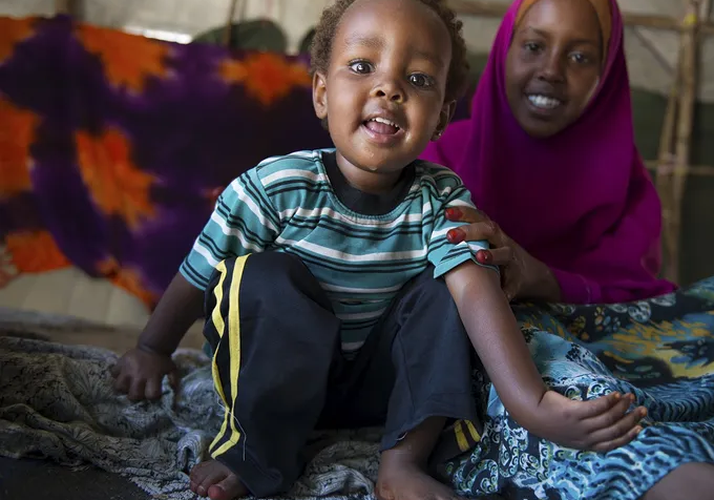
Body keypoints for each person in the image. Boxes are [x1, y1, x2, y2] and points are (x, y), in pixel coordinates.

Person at [110, 1, 648, 499]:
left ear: (441, 114)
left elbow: (480, 299)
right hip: (276, 374)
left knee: (454, 284)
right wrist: (153, 348)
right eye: (363, 66)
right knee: (261, 275)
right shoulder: (273, 187)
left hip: (377, 387)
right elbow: (198, 273)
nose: (389, 88)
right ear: (321, 92)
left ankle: (403, 462)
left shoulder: (441, 198)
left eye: (417, 79)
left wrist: (530, 404)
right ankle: (257, 451)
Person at [420, 0, 714, 499]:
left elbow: (634, 290)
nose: (551, 71)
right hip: (515, 357)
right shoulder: (442, 159)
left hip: (610, 333)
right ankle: (703, 481)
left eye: (580, 57)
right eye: (533, 46)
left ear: (606, 73)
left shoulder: (623, 178)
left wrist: (541, 276)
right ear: (505, 52)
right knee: (542, 355)